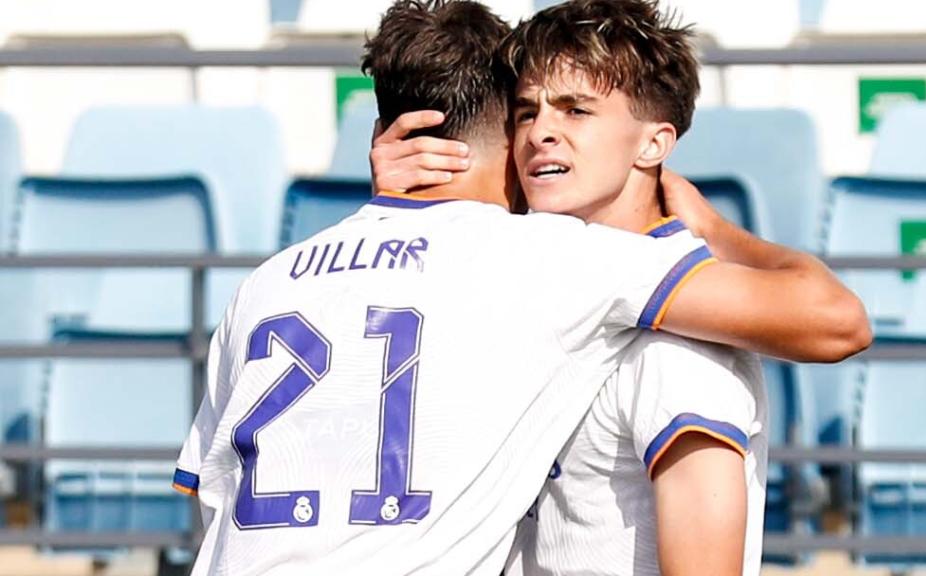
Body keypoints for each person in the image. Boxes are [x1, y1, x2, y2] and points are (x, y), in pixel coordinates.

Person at [175, 2, 870, 575]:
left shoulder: (266, 282)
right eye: (528, 111)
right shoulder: (546, 266)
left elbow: (210, 502)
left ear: (654, 142)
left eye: (575, 110)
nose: (542, 133)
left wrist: (712, 230)